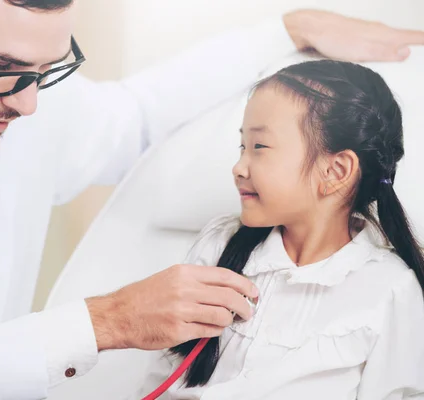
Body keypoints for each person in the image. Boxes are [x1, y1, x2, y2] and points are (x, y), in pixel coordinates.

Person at [0, 0, 423, 398]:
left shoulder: (382, 288)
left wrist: (283, 31)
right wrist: (109, 320)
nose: (27, 104)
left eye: (45, 71)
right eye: (3, 68)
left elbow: (137, 116)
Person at [134, 60, 424, 399]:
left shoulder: (390, 290)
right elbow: (161, 374)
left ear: (336, 170)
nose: (239, 167)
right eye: (243, 146)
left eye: (259, 147)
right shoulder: (218, 246)